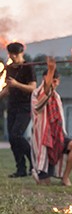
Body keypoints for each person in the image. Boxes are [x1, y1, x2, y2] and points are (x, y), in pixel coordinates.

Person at [30, 57, 72, 186]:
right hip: (44, 139)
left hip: (57, 136)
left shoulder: (57, 97)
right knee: (44, 183)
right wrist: (51, 69)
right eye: (49, 80)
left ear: (58, 82)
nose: (52, 83)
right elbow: (42, 99)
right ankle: (38, 174)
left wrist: (52, 71)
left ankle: (65, 177)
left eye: (54, 81)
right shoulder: (37, 93)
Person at [0, 42, 36, 177]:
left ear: (21, 53)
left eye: (15, 55)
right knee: (12, 138)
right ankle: (20, 169)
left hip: (25, 106)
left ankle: (34, 160)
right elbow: (8, 88)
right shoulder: (10, 68)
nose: (13, 57)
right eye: (11, 55)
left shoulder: (28, 68)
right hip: (12, 105)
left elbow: (32, 88)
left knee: (17, 134)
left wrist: (17, 84)